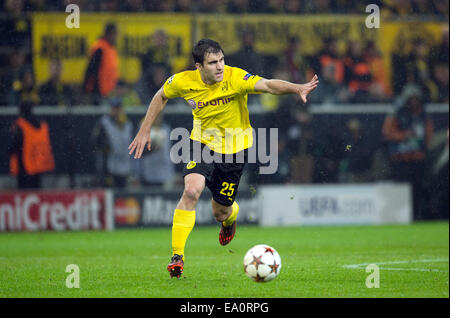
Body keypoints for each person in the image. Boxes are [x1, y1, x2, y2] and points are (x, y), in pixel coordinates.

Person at [128, 39, 318, 278]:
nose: (219, 67)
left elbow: (269, 85)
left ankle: (230, 217)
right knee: (191, 190)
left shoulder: (235, 77)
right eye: (212, 63)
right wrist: (145, 128)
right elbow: (160, 95)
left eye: (221, 60)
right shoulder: (183, 81)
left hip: (235, 149)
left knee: (221, 211)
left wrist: (298, 87)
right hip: (203, 143)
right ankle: (177, 256)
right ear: (199, 66)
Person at [382, 84, 434, 220]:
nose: (413, 102)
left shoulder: (423, 114)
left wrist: (423, 148)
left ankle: (417, 216)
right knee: (401, 189)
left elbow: (428, 133)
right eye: (411, 99)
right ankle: (401, 216)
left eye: (416, 99)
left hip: (417, 158)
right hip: (401, 158)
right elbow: (387, 132)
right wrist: (405, 135)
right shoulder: (397, 113)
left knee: (418, 189)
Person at [8, 100, 55, 188]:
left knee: (24, 194)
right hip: (39, 165)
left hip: (24, 166)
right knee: (36, 192)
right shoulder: (42, 123)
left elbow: (14, 146)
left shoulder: (20, 125)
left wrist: (10, 151)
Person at [92, 98, 134, 188]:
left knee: (123, 198)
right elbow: (96, 142)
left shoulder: (128, 124)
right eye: (114, 108)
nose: (116, 111)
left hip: (125, 168)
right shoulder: (104, 123)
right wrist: (105, 147)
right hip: (109, 168)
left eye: (118, 108)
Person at [82, 23, 119, 105]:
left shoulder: (110, 49)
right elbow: (91, 70)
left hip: (108, 93)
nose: (117, 37)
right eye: (115, 34)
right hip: (99, 92)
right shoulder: (100, 48)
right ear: (110, 34)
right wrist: (87, 91)